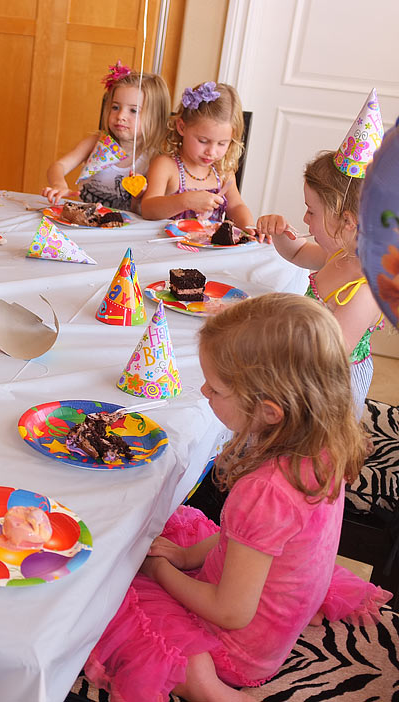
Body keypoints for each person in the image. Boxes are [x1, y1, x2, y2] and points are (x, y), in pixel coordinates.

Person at [85, 294, 391, 701]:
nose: (204, 390)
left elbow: (230, 612)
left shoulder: (265, 490)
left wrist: (160, 572)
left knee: (106, 598)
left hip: (239, 647)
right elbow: (245, 540)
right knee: (172, 532)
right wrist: (186, 557)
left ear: (270, 411)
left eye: (215, 388)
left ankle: (211, 688)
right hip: (274, 610)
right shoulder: (323, 448)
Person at [255, 153, 384, 418]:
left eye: (311, 211)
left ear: (347, 221)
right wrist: (279, 233)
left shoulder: (363, 289)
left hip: (330, 386)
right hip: (306, 366)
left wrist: (278, 332)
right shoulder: (340, 254)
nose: (305, 218)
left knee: (319, 439)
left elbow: (330, 352)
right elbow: (297, 252)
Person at [42, 62, 170, 212]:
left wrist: (138, 199)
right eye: (115, 107)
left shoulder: (155, 161)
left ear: (156, 117)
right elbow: (58, 166)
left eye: (133, 111)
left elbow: (144, 213)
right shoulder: (96, 143)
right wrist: (58, 184)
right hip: (85, 220)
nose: (120, 116)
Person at [141, 81, 254, 228]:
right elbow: (148, 209)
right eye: (203, 141)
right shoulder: (166, 165)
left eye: (222, 143)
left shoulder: (223, 170)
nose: (211, 152)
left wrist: (249, 228)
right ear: (182, 127)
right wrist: (185, 201)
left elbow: (236, 206)